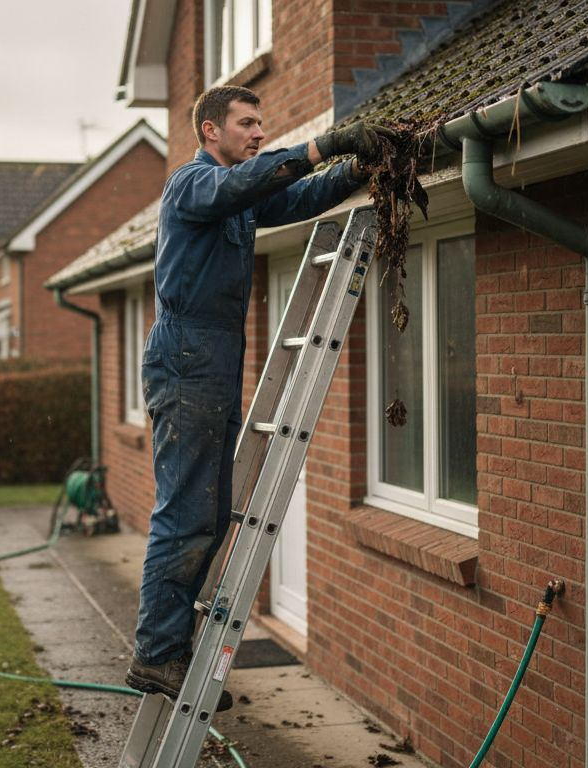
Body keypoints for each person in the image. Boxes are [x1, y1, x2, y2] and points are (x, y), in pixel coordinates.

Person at [126, 85, 387, 707]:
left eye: (262, 124)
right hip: (187, 354)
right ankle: (156, 652)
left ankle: (169, 643)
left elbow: (296, 197)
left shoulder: (238, 199)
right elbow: (248, 185)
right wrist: (324, 143)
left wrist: (360, 164)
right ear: (210, 132)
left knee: (212, 514)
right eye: (247, 124)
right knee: (186, 510)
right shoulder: (193, 185)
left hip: (212, 357)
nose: (259, 133)